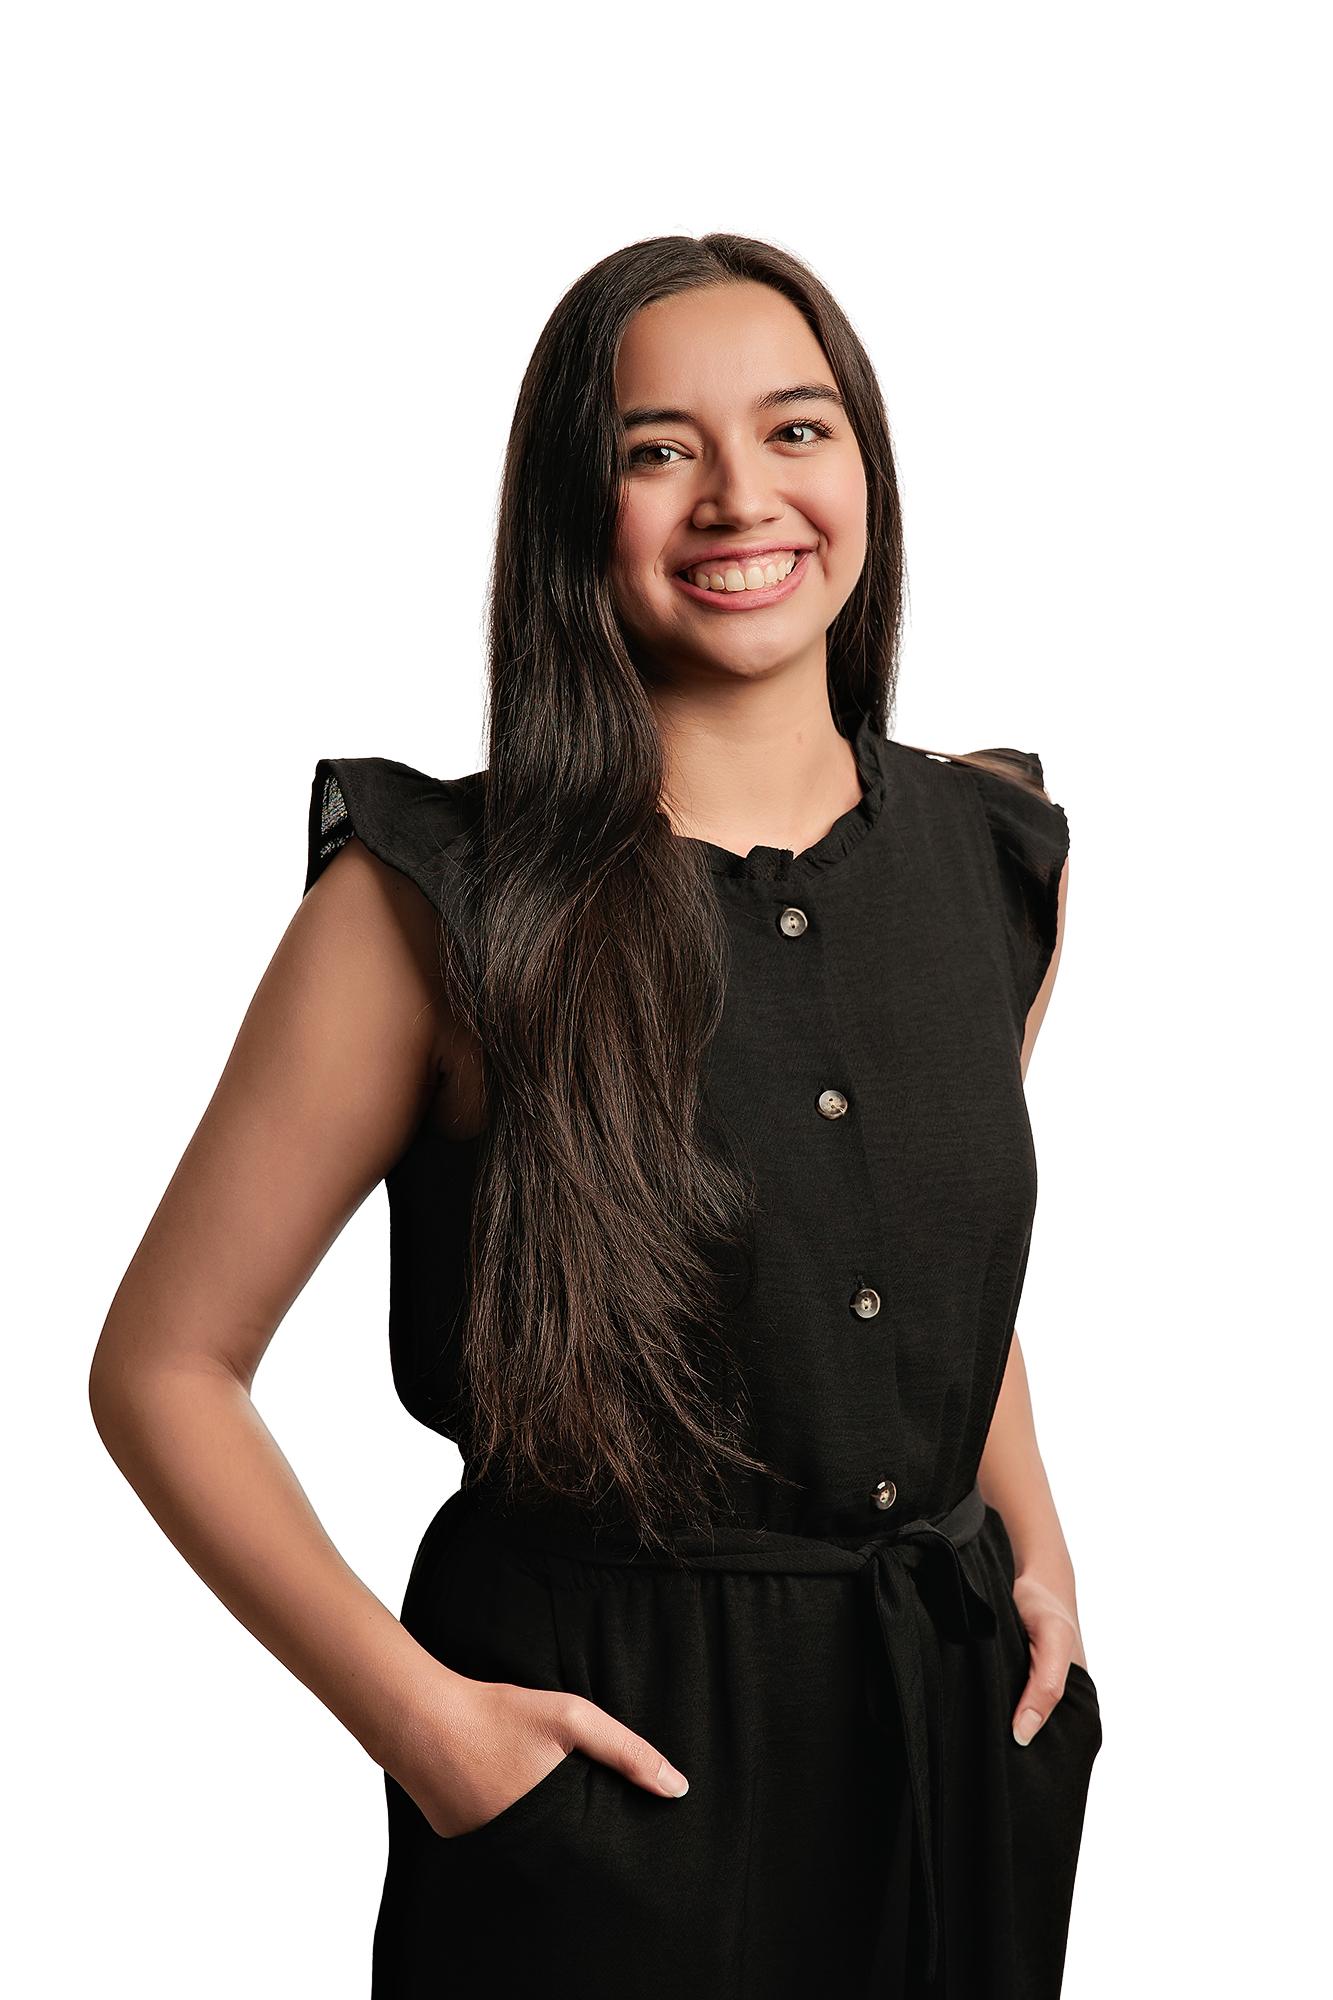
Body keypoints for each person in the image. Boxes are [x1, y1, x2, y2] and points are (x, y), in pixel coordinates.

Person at [89, 234, 1102, 1998]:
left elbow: (920, 1264)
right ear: (576, 505)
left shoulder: (999, 857)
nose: (739, 498)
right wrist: (430, 1732)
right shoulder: (432, 904)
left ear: (864, 467)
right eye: (656, 449)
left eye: (796, 431)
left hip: (946, 1725)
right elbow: (162, 1370)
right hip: (604, 1762)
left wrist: (1038, 1547)